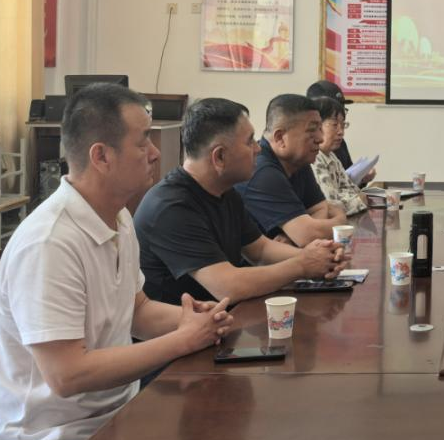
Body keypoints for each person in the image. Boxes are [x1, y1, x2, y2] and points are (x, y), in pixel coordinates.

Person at [0, 84, 233, 440]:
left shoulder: (118, 218)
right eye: (143, 141)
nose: (155, 153)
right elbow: (68, 375)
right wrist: (182, 340)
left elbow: (136, 310)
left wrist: (195, 320)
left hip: (115, 422)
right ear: (101, 156)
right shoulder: (49, 243)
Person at [134, 97, 348, 306]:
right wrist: (303, 265)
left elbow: (260, 250)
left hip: (223, 319)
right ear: (219, 157)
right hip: (184, 327)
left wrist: (319, 258)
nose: (258, 148)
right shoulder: (171, 208)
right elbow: (229, 286)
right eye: (249, 141)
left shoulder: (225, 191)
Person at [234, 94, 348, 246]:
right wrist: (341, 219)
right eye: (312, 130)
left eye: (320, 128)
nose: (320, 138)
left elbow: (319, 209)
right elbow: (309, 234)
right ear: (280, 137)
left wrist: (298, 234)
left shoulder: (299, 160)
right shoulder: (262, 171)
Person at [306, 80, 375, 185]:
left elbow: (347, 185)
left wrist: (362, 179)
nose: (340, 132)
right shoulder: (309, 157)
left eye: (342, 107)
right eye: (334, 124)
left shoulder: (337, 147)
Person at [309, 96, 368, 217]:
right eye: (335, 125)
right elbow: (331, 206)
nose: (341, 132)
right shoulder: (314, 159)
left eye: (343, 125)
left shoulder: (332, 156)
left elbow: (352, 190)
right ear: (317, 126)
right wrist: (359, 201)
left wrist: (353, 198)